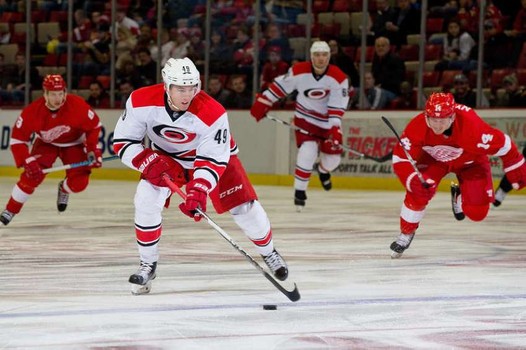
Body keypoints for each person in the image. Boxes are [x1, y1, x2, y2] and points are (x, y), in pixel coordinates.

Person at [112, 57, 289, 295]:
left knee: (245, 207)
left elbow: (212, 160)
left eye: (191, 88)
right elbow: (123, 142)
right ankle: (148, 264)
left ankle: (269, 252)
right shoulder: (141, 100)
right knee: (145, 199)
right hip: (167, 159)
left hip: (214, 161)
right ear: (167, 86)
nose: (187, 95)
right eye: (180, 89)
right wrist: (146, 161)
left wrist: (198, 189)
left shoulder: (213, 112)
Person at [389, 92, 526, 258]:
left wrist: (515, 163)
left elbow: (504, 144)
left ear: (452, 117)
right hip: (434, 160)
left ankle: (460, 195)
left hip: (471, 162)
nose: (438, 125)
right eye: (433, 119)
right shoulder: (417, 126)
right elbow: (400, 158)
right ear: (426, 116)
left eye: (442, 120)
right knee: (419, 190)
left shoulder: (473, 129)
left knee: (477, 213)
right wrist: (411, 181)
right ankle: (406, 233)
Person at [249, 41, 349, 211]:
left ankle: (323, 170)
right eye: (317, 55)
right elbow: (280, 87)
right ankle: (300, 192)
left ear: (329, 56)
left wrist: (335, 128)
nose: (320, 59)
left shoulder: (339, 78)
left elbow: (336, 106)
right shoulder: (298, 71)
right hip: (305, 120)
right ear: (311, 57)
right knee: (307, 151)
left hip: (327, 123)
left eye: (324, 55)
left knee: (333, 161)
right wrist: (264, 101)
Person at [0, 75, 103, 226]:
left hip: (74, 144)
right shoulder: (33, 111)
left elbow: (94, 126)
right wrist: (27, 160)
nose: (58, 98)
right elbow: (17, 140)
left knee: (79, 184)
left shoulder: (77, 105)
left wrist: (92, 149)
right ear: (45, 93)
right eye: (54, 94)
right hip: (46, 144)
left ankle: (64, 188)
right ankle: (11, 210)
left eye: (61, 93)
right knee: (31, 177)